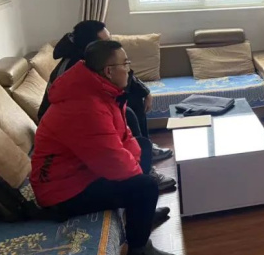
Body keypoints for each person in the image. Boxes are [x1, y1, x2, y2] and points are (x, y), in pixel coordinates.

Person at [30, 40, 179, 255]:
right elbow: (113, 163)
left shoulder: (101, 92)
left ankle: (142, 213)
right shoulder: (85, 106)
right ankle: (139, 252)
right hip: (61, 192)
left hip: (79, 172)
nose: (129, 69)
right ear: (109, 71)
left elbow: (123, 135)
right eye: (125, 63)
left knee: (143, 147)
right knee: (145, 186)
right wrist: (138, 176)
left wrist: (134, 162)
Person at [38, 20, 175, 192]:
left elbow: (125, 77)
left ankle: (143, 162)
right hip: (67, 128)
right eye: (105, 41)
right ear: (92, 45)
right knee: (129, 110)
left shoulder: (91, 60)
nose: (110, 45)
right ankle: (143, 175)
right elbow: (81, 110)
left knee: (132, 110)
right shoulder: (73, 68)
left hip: (83, 118)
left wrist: (144, 91)